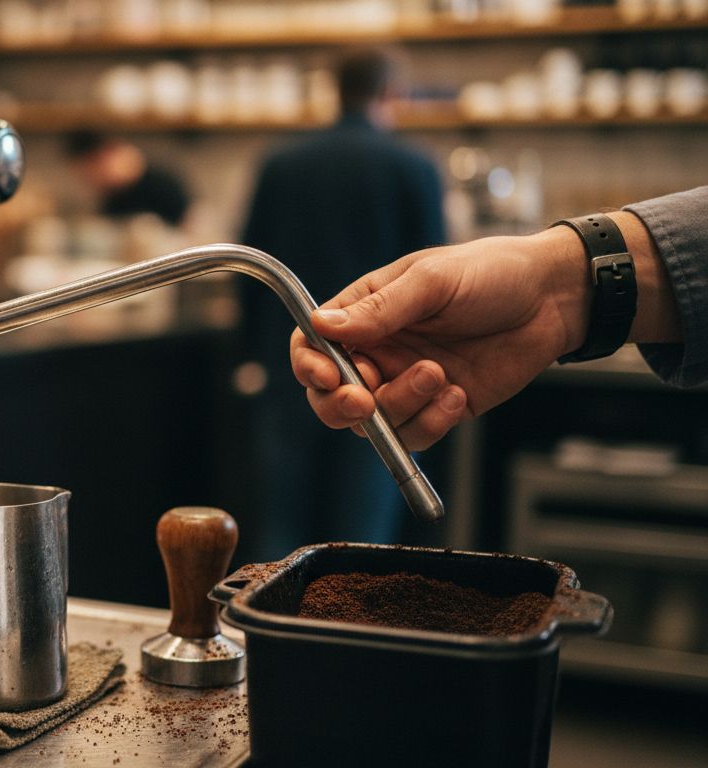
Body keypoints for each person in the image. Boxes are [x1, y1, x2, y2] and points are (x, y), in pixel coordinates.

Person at [291, 186, 704, 449]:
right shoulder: (413, 166)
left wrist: (556, 284)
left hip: (371, 356)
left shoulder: (283, 162)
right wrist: (555, 286)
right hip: (386, 352)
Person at [237, 47, 445, 559]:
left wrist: (250, 356)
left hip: (290, 361)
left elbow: (247, 265)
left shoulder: (281, 164)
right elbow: (435, 279)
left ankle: (273, 631)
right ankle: (352, 635)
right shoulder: (414, 167)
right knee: (363, 532)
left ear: (335, 89)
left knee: (281, 523)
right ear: (391, 93)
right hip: (378, 373)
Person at [64, 131, 190, 227]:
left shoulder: (161, 183)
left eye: (88, 172)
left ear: (104, 155)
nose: (89, 180)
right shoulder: (113, 194)